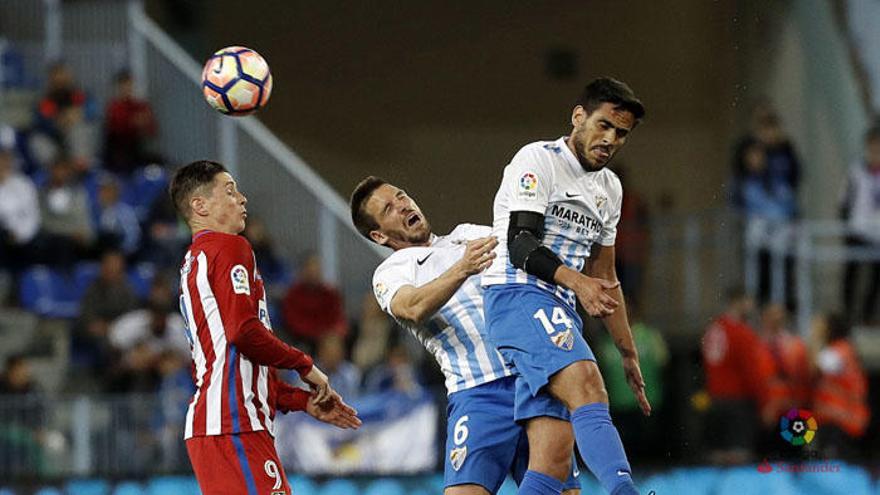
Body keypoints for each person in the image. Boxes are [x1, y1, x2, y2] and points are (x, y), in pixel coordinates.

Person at [350, 176, 580, 495]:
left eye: (402, 196)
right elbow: (412, 307)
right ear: (378, 234)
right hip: (479, 393)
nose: (403, 205)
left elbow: (526, 254)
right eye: (389, 208)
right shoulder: (393, 271)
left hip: (534, 381)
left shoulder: (468, 235)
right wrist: (463, 268)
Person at [481, 77, 647, 495]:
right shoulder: (539, 160)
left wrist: (628, 353)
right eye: (604, 125)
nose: (611, 140)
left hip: (560, 312)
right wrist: (579, 282)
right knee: (588, 383)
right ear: (578, 117)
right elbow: (520, 244)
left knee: (553, 462)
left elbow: (607, 278)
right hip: (516, 296)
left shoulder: (610, 188)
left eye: (621, 133)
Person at [169, 160, 360, 495]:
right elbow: (243, 333)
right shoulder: (228, 247)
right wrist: (305, 365)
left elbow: (238, 364)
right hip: (232, 425)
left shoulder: (197, 258)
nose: (242, 199)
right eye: (229, 191)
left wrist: (301, 401)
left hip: (226, 423)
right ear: (199, 206)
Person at [701, 288, 779, 464]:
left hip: (715, 399)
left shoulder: (713, 329)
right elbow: (752, 372)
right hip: (738, 402)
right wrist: (765, 403)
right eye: (748, 302)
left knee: (717, 457)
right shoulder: (742, 333)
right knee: (739, 458)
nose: (751, 307)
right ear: (739, 302)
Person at [809, 313, 870, 458]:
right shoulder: (845, 349)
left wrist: (815, 339)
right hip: (841, 419)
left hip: (839, 420)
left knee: (835, 464)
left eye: (820, 326)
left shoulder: (839, 352)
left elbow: (814, 367)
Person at [839, 124, 880, 324]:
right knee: (852, 272)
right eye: (873, 146)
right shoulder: (855, 171)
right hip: (858, 229)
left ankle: (867, 314)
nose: (876, 151)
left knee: (876, 275)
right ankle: (847, 313)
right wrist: (847, 228)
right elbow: (844, 202)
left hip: (878, 232)